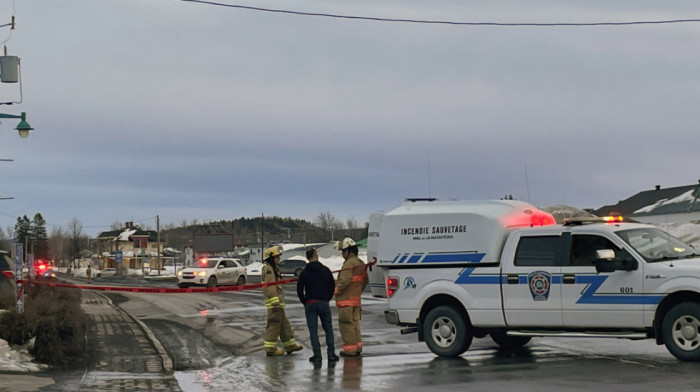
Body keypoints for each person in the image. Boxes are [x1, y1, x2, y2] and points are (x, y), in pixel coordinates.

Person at [296, 248, 339, 364]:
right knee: (328, 329)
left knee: (313, 331)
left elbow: (299, 289)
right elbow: (332, 286)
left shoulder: (304, 272)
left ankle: (317, 355)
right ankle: (331, 354)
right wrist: (326, 299)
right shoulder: (325, 270)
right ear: (316, 255)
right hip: (323, 302)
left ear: (307, 257)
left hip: (310, 303)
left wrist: (304, 301)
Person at [262, 246, 303, 356]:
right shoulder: (269, 270)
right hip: (274, 304)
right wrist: (275, 302)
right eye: (276, 257)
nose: (278, 259)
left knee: (284, 325)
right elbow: (270, 287)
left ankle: (290, 346)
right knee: (273, 325)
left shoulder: (274, 269)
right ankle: (270, 349)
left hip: (278, 303)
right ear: (270, 258)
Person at [334, 237, 369, 357]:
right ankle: (357, 347)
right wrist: (357, 292)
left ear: (349, 251)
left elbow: (344, 281)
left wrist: (336, 291)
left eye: (343, 251)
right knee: (355, 325)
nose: (342, 254)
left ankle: (350, 350)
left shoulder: (349, 264)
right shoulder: (361, 263)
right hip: (356, 302)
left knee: (346, 326)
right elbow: (365, 281)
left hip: (346, 302)